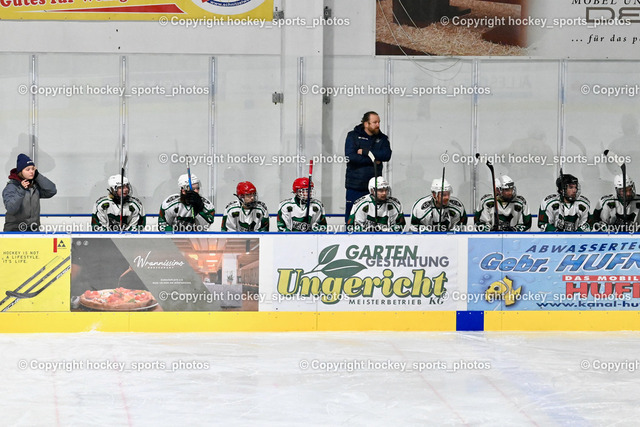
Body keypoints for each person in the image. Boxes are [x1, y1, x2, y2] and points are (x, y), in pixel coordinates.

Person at [344, 111, 392, 224]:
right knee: (351, 218)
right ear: (366, 124)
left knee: (374, 218)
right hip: (355, 186)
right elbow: (351, 157)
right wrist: (374, 160)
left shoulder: (382, 138)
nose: (378, 125)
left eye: (379, 122)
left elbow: (386, 155)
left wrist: (366, 152)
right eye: (375, 122)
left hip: (375, 188)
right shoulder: (353, 136)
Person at [3, 153, 57, 232]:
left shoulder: (34, 185)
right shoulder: (12, 187)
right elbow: (11, 208)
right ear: (21, 172)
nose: (31, 171)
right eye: (28, 169)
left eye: (33, 169)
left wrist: (38, 176)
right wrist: (21, 190)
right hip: (15, 231)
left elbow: (52, 191)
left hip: (33, 230)